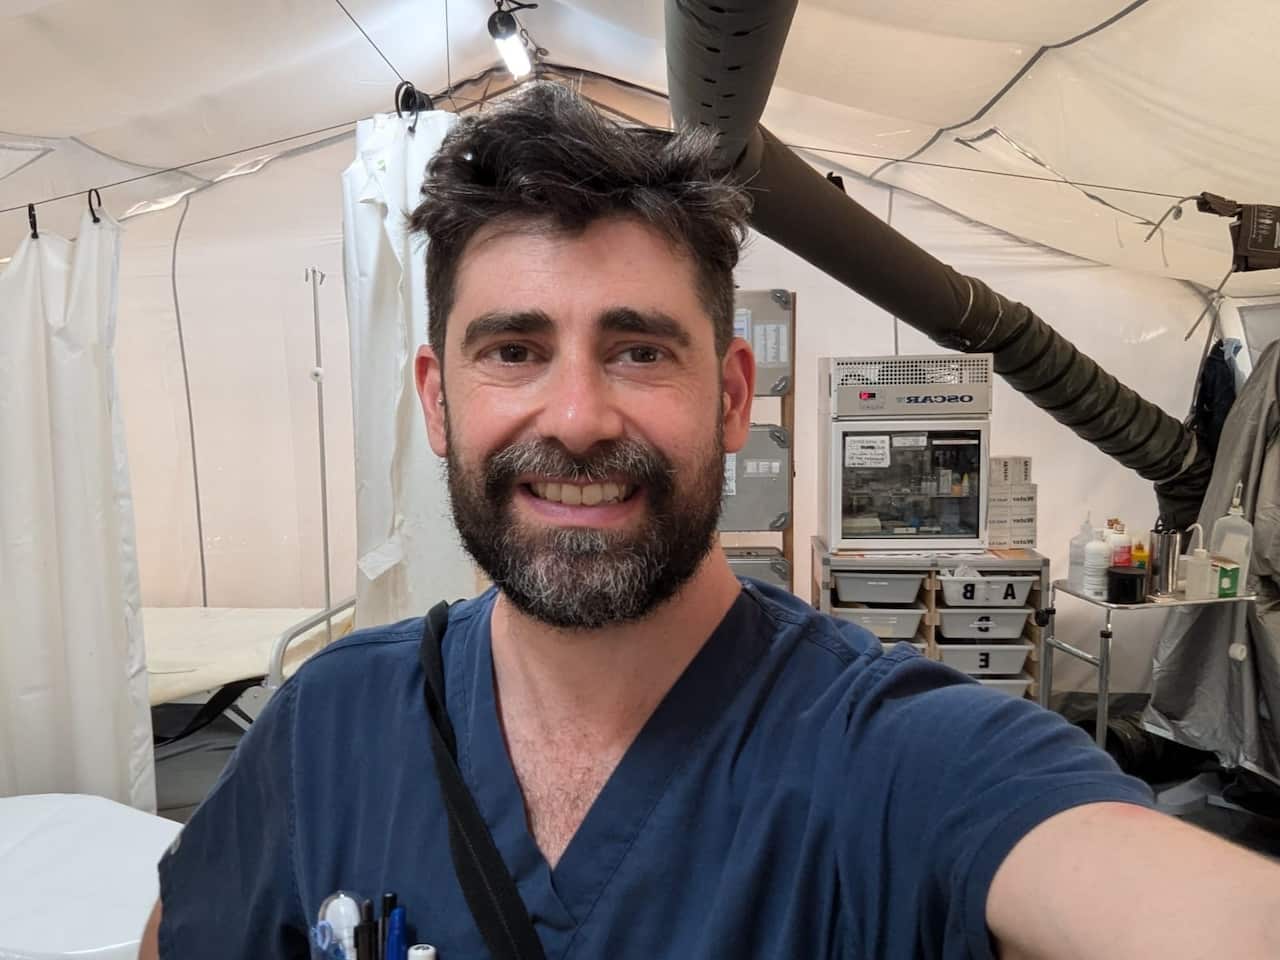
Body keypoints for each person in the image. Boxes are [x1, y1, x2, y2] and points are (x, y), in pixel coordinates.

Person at [142, 82, 1280, 959]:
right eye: (515, 351)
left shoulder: (889, 758)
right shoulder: (331, 728)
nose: (578, 417)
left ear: (731, 396)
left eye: (637, 349)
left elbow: (1140, 890)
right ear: (438, 400)